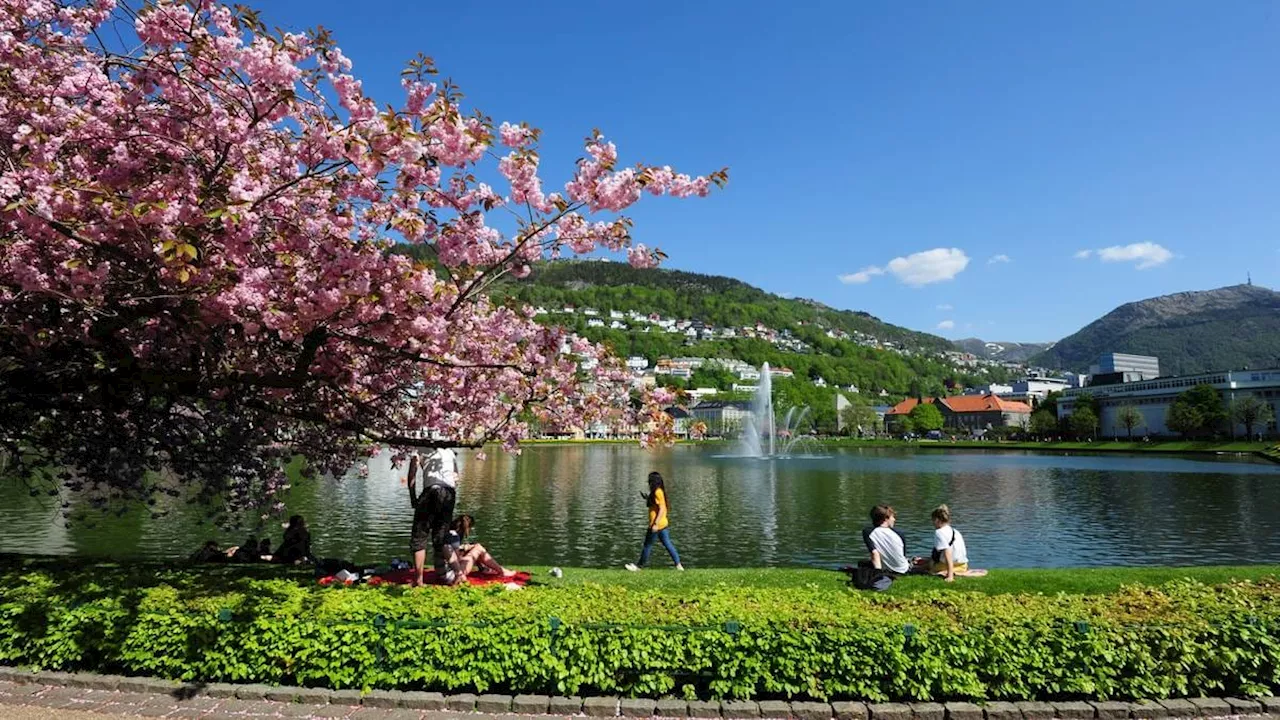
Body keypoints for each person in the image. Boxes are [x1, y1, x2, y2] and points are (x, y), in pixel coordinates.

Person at [407, 448, 459, 587]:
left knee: (419, 536)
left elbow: (412, 474)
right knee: (441, 537)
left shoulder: (418, 448)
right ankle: (460, 575)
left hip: (431, 491)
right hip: (449, 492)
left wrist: (413, 498)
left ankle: (418, 581)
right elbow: (456, 476)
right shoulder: (449, 451)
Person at [625, 471, 684, 571]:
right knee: (668, 544)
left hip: (657, 525)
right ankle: (679, 565)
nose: (648, 483)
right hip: (663, 524)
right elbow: (657, 505)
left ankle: (639, 566)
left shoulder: (657, 492)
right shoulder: (658, 491)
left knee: (647, 545)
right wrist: (648, 498)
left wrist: (655, 524)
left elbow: (662, 508)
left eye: (649, 481)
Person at [442, 514, 514, 585]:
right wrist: (467, 550)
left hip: (443, 573)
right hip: (452, 575)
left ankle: (483, 569)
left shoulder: (449, 533)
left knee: (475, 547)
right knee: (478, 548)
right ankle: (502, 571)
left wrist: (465, 548)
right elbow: (456, 560)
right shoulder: (454, 537)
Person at [918, 504, 968, 582]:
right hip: (963, 565)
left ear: (937, 520)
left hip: (950, 566)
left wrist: (950, 576)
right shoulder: (955, 531)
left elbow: (948, 553)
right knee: (927, 561)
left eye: (933, 520)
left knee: (921, 566)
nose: (933, 523)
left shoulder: (939, 532)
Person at [862, 505, 909, 575]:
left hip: (887, 569)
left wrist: (877, 572)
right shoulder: (899, 533)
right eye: (892, 517)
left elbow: (874, 553)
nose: (894, 519)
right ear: (886, 519)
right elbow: (903, 555)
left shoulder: (868, 532)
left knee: (862, 563)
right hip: (903, 569)